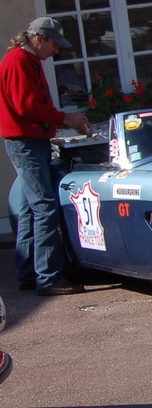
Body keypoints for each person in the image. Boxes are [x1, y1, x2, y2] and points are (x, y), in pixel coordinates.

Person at [1, 17, 92, 296]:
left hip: (29, 141)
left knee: (31, 209)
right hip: (26, 143)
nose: (56, 51)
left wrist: (57, 122)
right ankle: (48, 277)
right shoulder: (20, 62)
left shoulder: (25, 60)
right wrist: (65, 118)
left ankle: (29, 273)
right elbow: (27, 107)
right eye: (53, 44)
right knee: (45, 207)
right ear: (38, 39)